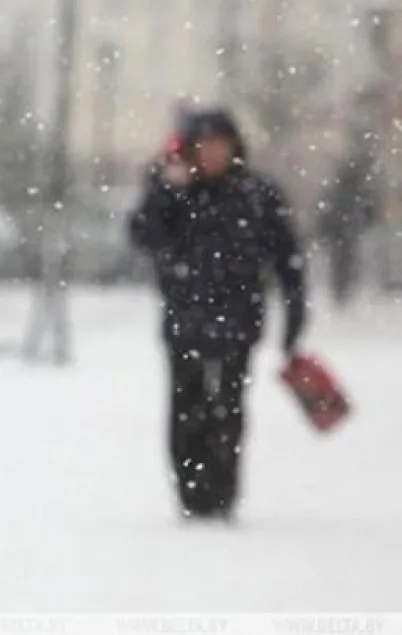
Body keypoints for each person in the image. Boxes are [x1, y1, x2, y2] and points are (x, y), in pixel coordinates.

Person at [129, 108, 307, 521]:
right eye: (204, 146)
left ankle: (223, 491)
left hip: (238, 320)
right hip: (184, 320)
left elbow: (287, 257)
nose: (211, 154)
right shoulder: (175, 189)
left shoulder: (257, 194)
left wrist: (295, 315)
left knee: (228, 407)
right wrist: (165, 189)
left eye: (220, 145)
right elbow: (143, 235)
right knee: (185, 407)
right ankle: (192, 495)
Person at [318, 134, 380, 307]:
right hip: (344, 233)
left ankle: (343, 291)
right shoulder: (351, 191)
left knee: (343, 263)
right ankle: (342, 291)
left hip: (344, 233)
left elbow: (326, 212)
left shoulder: (346, 191)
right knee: (344, 263)